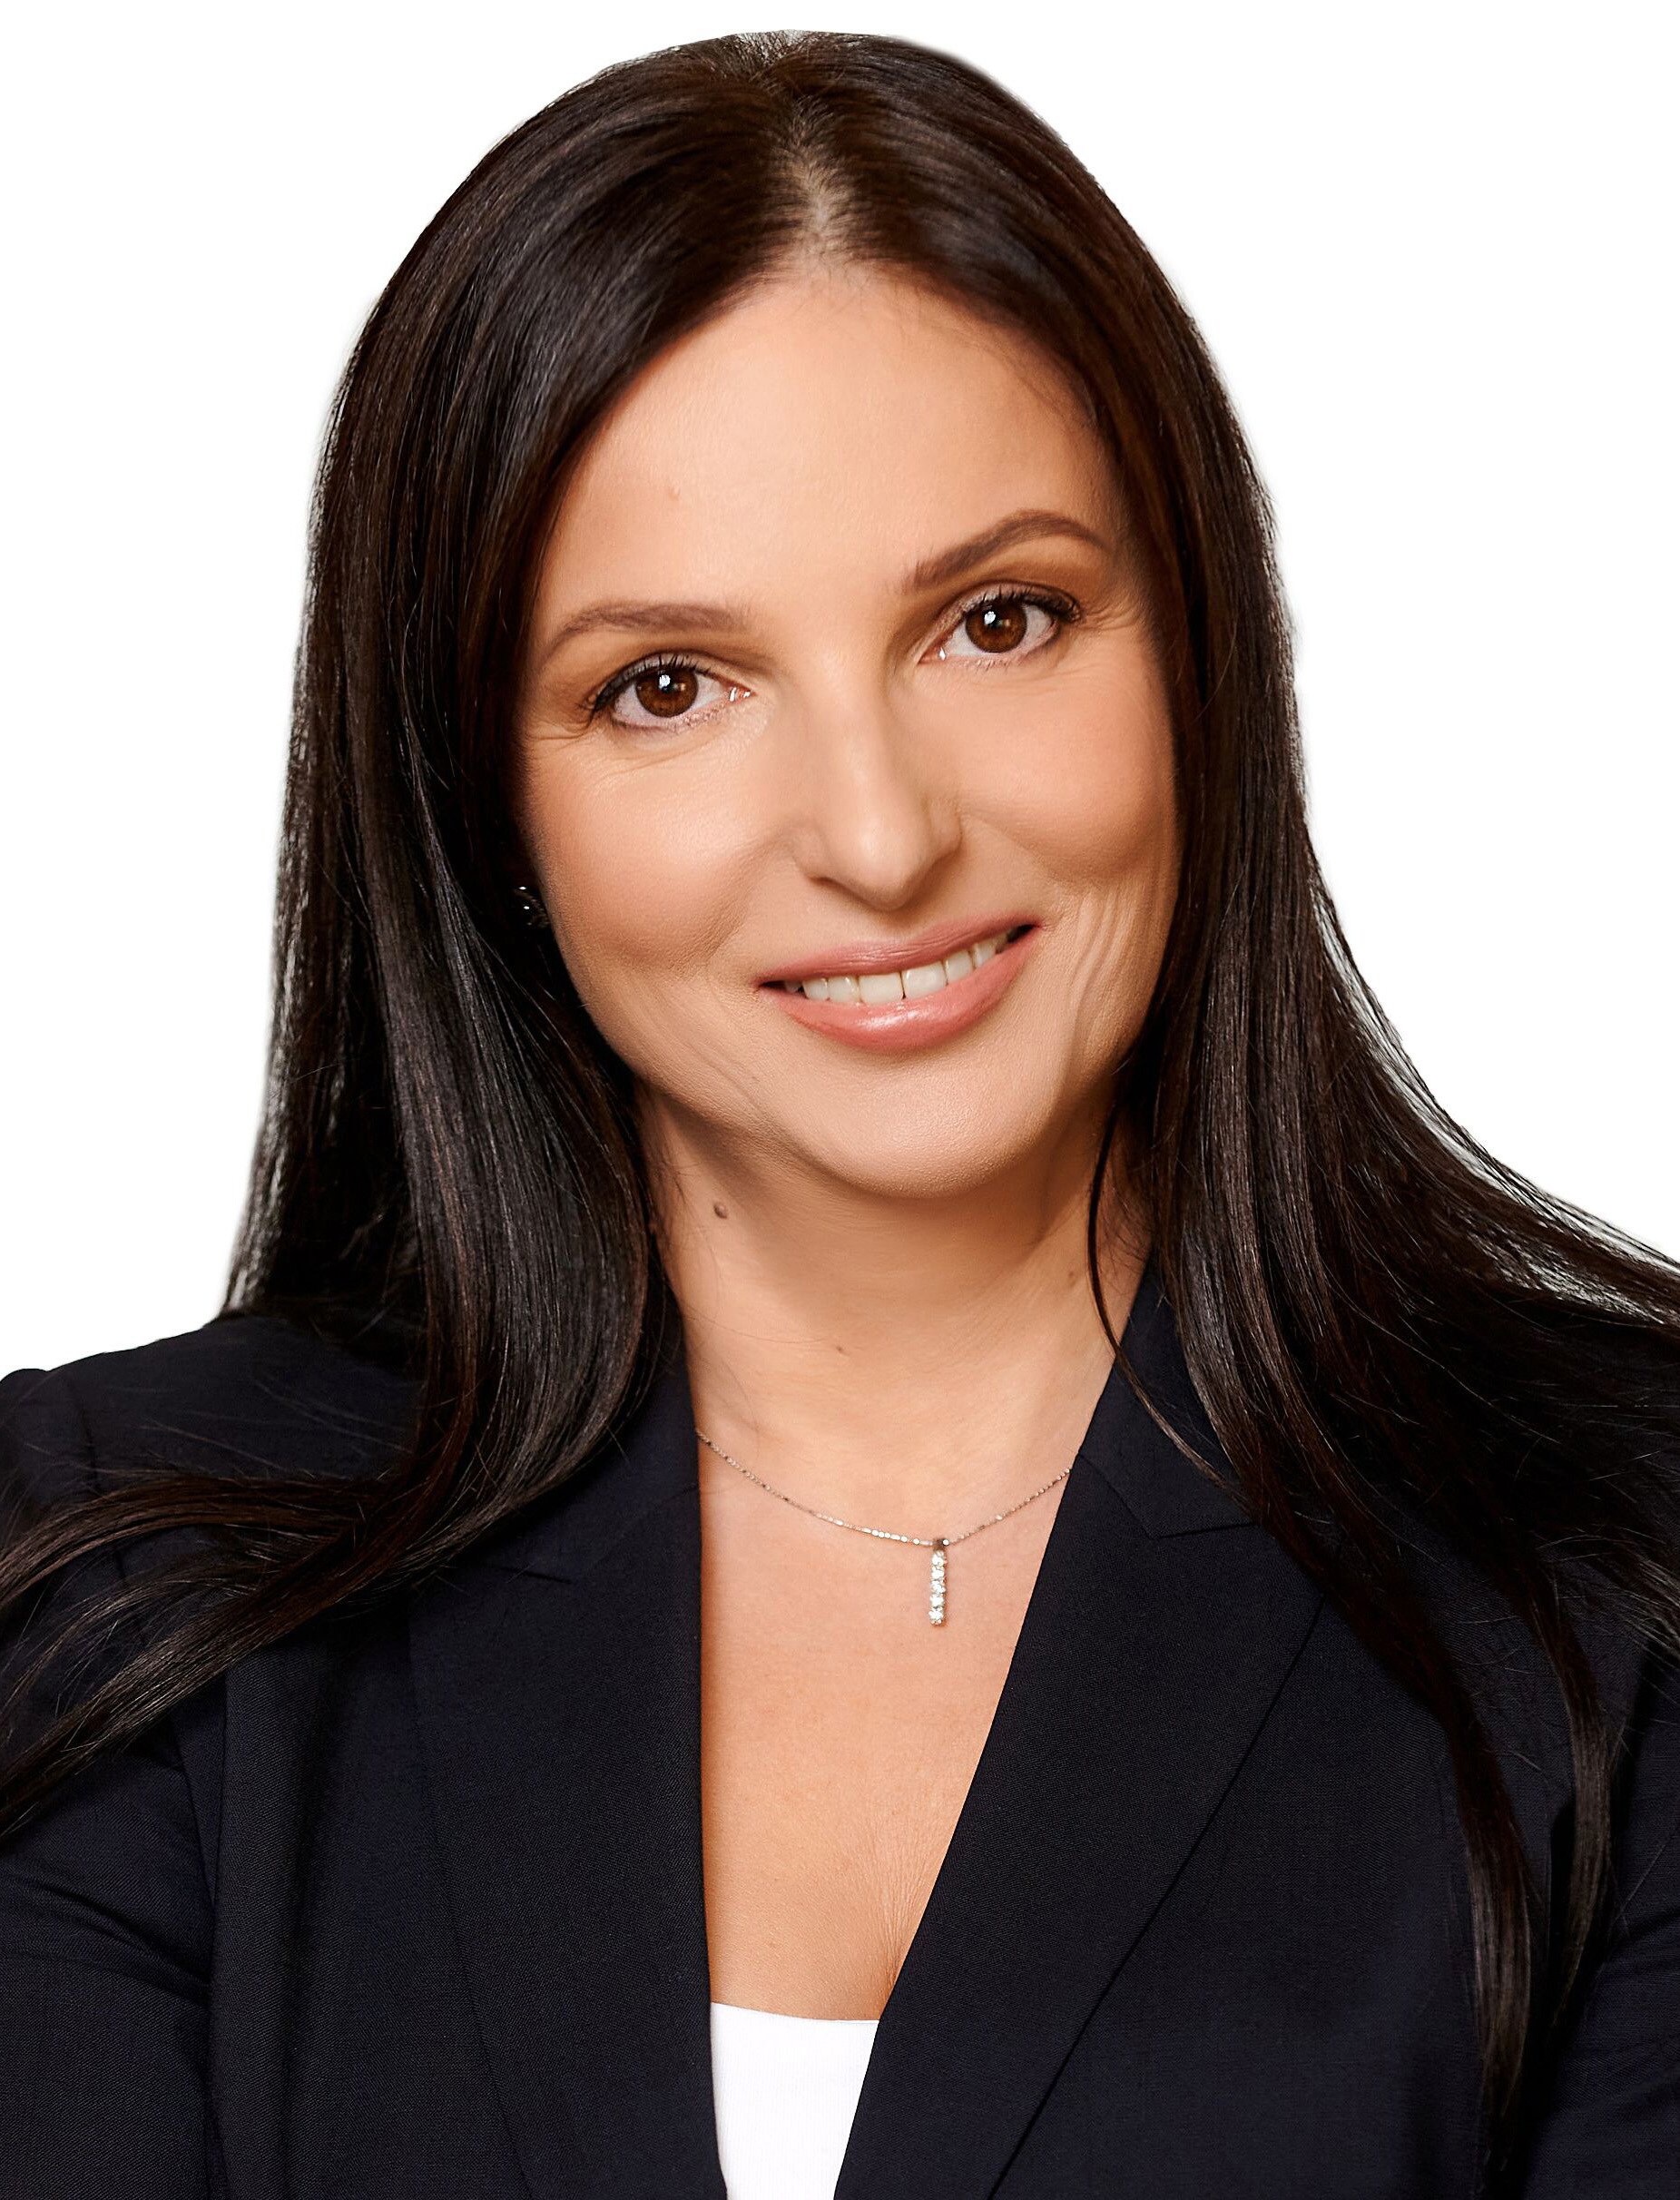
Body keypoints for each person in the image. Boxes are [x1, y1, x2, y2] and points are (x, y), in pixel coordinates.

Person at [2, 27, 1677, 2200]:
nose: (878, 840)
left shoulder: (1621, 1567)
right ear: (480, 799)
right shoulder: (117, 1575)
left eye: (998, 621)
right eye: (666, 688)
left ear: (1196, 657)